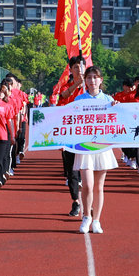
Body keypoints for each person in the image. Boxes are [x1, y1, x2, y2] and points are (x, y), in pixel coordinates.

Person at [73, 66, 119, 234]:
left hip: (102, 146)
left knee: (99, 186)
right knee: (87, 185)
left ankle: (97, 220)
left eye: (95, 77)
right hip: (84, 147)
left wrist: (116, 107)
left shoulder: (109, 99)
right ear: (85, 80)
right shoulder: (79, 101)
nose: (92, 80)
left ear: (101, 80)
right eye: (89, 77)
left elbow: (118, 121)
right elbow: (69, 122)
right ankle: (86, 217)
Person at [58, 55, 86, 217]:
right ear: (71, 69)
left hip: (87, 136)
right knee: (72, 172)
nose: (79, 70)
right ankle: (76, 202)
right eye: (75, 67)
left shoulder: (90, 88)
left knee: (88, 170)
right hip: (69, 135)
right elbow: (64, 97)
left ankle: (89, 205)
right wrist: (77, 84)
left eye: (81, 67)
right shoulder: (66, 86)